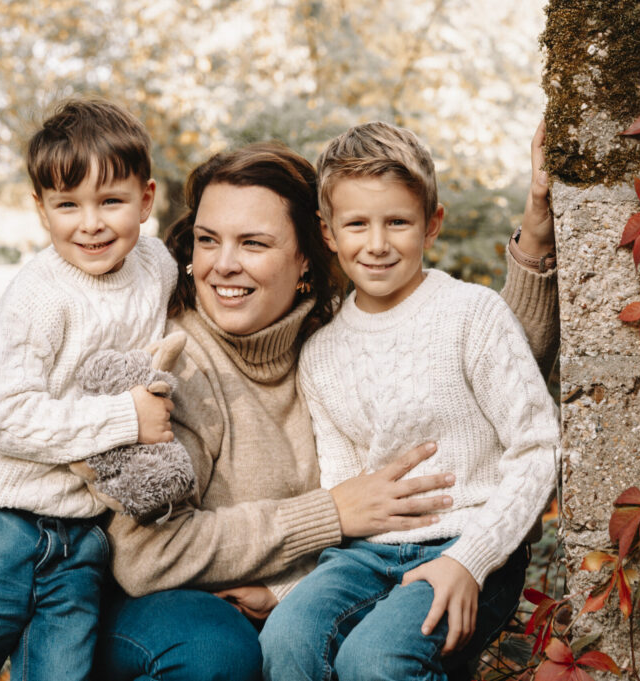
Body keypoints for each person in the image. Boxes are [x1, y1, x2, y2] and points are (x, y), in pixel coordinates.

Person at [99, 124, 559, 681]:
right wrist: (322, 526)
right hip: (175, 607)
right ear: (333, 234)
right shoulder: (178, 365)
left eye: (254, 243)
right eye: (208, 239)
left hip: (439, 548)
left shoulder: (324, 332)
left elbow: (481, 373)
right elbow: (145, 554)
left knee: (374, 656)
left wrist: (537, 234)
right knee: (240, 648)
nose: (223, 264)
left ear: (307, 256)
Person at [257, 121, 559, 681]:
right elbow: (342, 488)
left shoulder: (472, 315)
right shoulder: (320, 353)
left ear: (431, 224)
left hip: (471, 545)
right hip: (364, 557)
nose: (377, 244)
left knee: (376, 660)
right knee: (286, 639)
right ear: (328, 232)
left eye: (397, 222)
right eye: (357, 224)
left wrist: (469, 560)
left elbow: (538, 447)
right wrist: (287, 588)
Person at [0, 98, 179, 681]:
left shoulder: (157, 265)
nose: (91, 223)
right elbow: (5, 417)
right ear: (41, 209)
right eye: (68, 205)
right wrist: (126, 418)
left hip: (80, 535)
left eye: (110, 201)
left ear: (145, 199)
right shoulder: (39, 297)